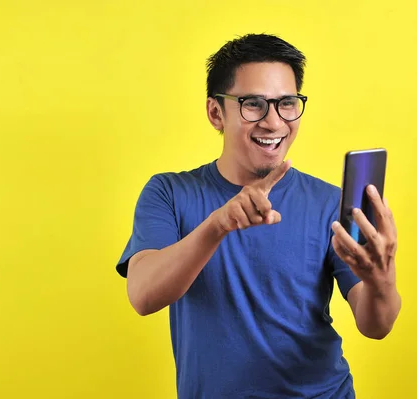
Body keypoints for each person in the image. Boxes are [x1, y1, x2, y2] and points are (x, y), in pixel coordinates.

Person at [115, 33, 401, 399]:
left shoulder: (331, 202)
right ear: (216, 112)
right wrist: (219, 224)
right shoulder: (169, 193)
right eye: (253, 104)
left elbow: (376, 325)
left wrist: (381, 282)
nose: (273, 122)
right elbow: (143, 295)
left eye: (287, 103)